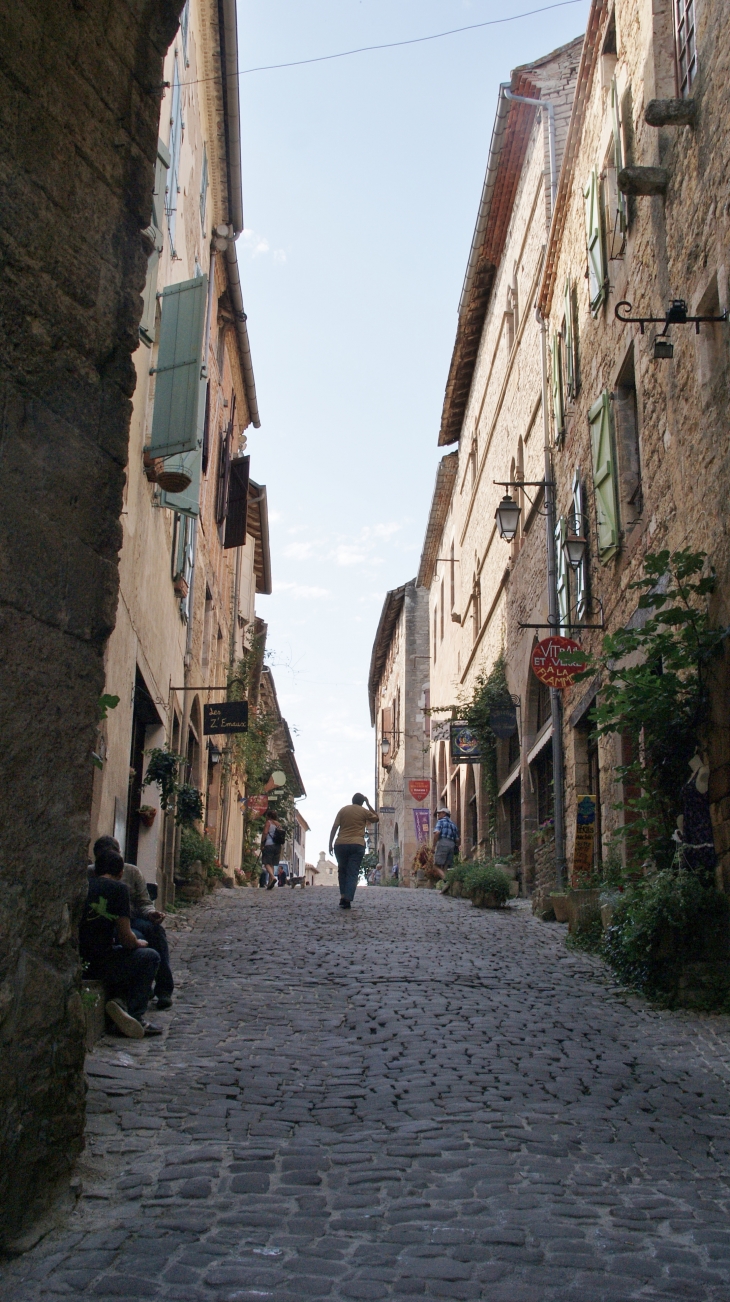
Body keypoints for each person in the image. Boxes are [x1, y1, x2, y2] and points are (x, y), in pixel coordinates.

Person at [80, 847, 162, 1038]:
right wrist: (138, 943)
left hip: (82, 959)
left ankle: (119, 1001)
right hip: (102, 961)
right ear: (121, 873)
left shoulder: (85, 885)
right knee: (149, 957)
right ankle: (135, 1015)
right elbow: (126, 938)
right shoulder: (119, 889)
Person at [93, 836, 174, 1009]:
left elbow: (144, 902)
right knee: (138, 941)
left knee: (155, 931)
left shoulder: (132, 872)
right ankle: (134, 995)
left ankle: (164, 989)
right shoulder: (91, 874)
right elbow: (126, 935)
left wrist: (152, 913)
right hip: (112, 923)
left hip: (134, 918)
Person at [328, 793, 379, 909]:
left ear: (352, 800)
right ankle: (348, 898)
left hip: (340, 844)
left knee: (342, 870)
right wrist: (368, 804)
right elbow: (376, 818)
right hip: (357, 845)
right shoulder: (364, 811)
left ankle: (342, 896)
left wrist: (330, 844)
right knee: (352, 872)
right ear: (362, 802)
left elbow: (334, 827)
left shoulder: (343, 810)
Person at [432, 807, 460, 879]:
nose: (438, 815)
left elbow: (437, 833)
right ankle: (447, 886)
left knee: (436, 866)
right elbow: (457, 840)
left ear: (444, 814)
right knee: (446, 867)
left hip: (443, 843)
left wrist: (433, 846)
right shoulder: (453, 825)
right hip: (452, 845)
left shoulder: (441, 821)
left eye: (440, 813)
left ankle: (446, 880)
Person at [261, 815, 284, 890]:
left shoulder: (268, 822)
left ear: (269, 816)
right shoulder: (279, 824)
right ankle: (270, 883)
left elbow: (265, 833)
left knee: (266, 863)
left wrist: (262, 842)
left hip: (269, 844)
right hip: (277, 846)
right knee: (272, 864)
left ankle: (273, 877)